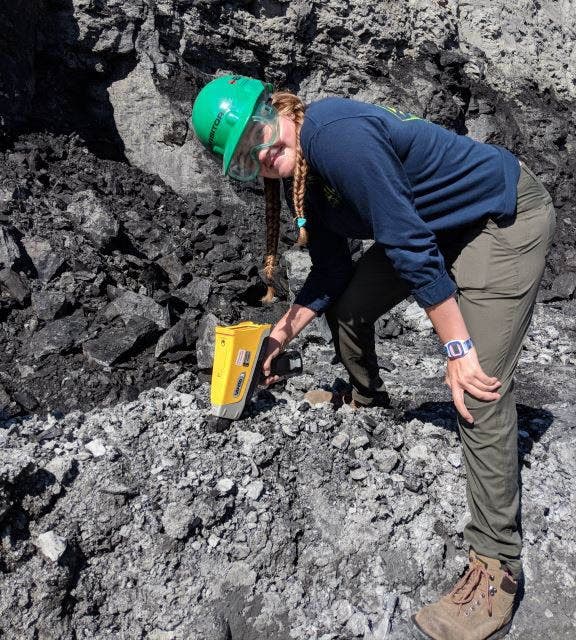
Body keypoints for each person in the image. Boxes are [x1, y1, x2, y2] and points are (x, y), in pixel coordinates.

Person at [190, 75, 556, 640]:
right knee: (352, 304)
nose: (260, 153)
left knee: (479, 383)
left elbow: (407, 243)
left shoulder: (336, 138)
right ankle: (366, 397)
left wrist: (456, 349)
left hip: (498, 216)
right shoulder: (302, 179)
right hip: (435, 224)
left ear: (277, 106)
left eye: (258, 132)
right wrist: (279, 336)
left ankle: (496, 567)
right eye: (243, 157)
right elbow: (333, 273)